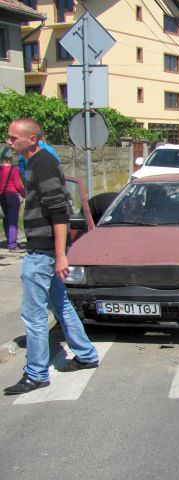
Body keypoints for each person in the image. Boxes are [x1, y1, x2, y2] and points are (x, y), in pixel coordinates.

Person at [4, 118, 99, 396]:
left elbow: (60, 213)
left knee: (33, 316)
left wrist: (60, 255)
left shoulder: (43, 163)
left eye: (13, 138)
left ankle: (36, 374)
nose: (9, 142)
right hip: (44, 250)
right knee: (61, 305)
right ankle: (86, 354)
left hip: (43, 252)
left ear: (31, 139)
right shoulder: (34, 162)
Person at [0, 146, 25, 252]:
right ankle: (12, 245)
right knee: (13, 221)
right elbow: (18, 186)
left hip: (2, 197)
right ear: (11, 157)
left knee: (5, 220)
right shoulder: (14, 169)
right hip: (12, 197)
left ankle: (8, 241)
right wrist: (23, 194)